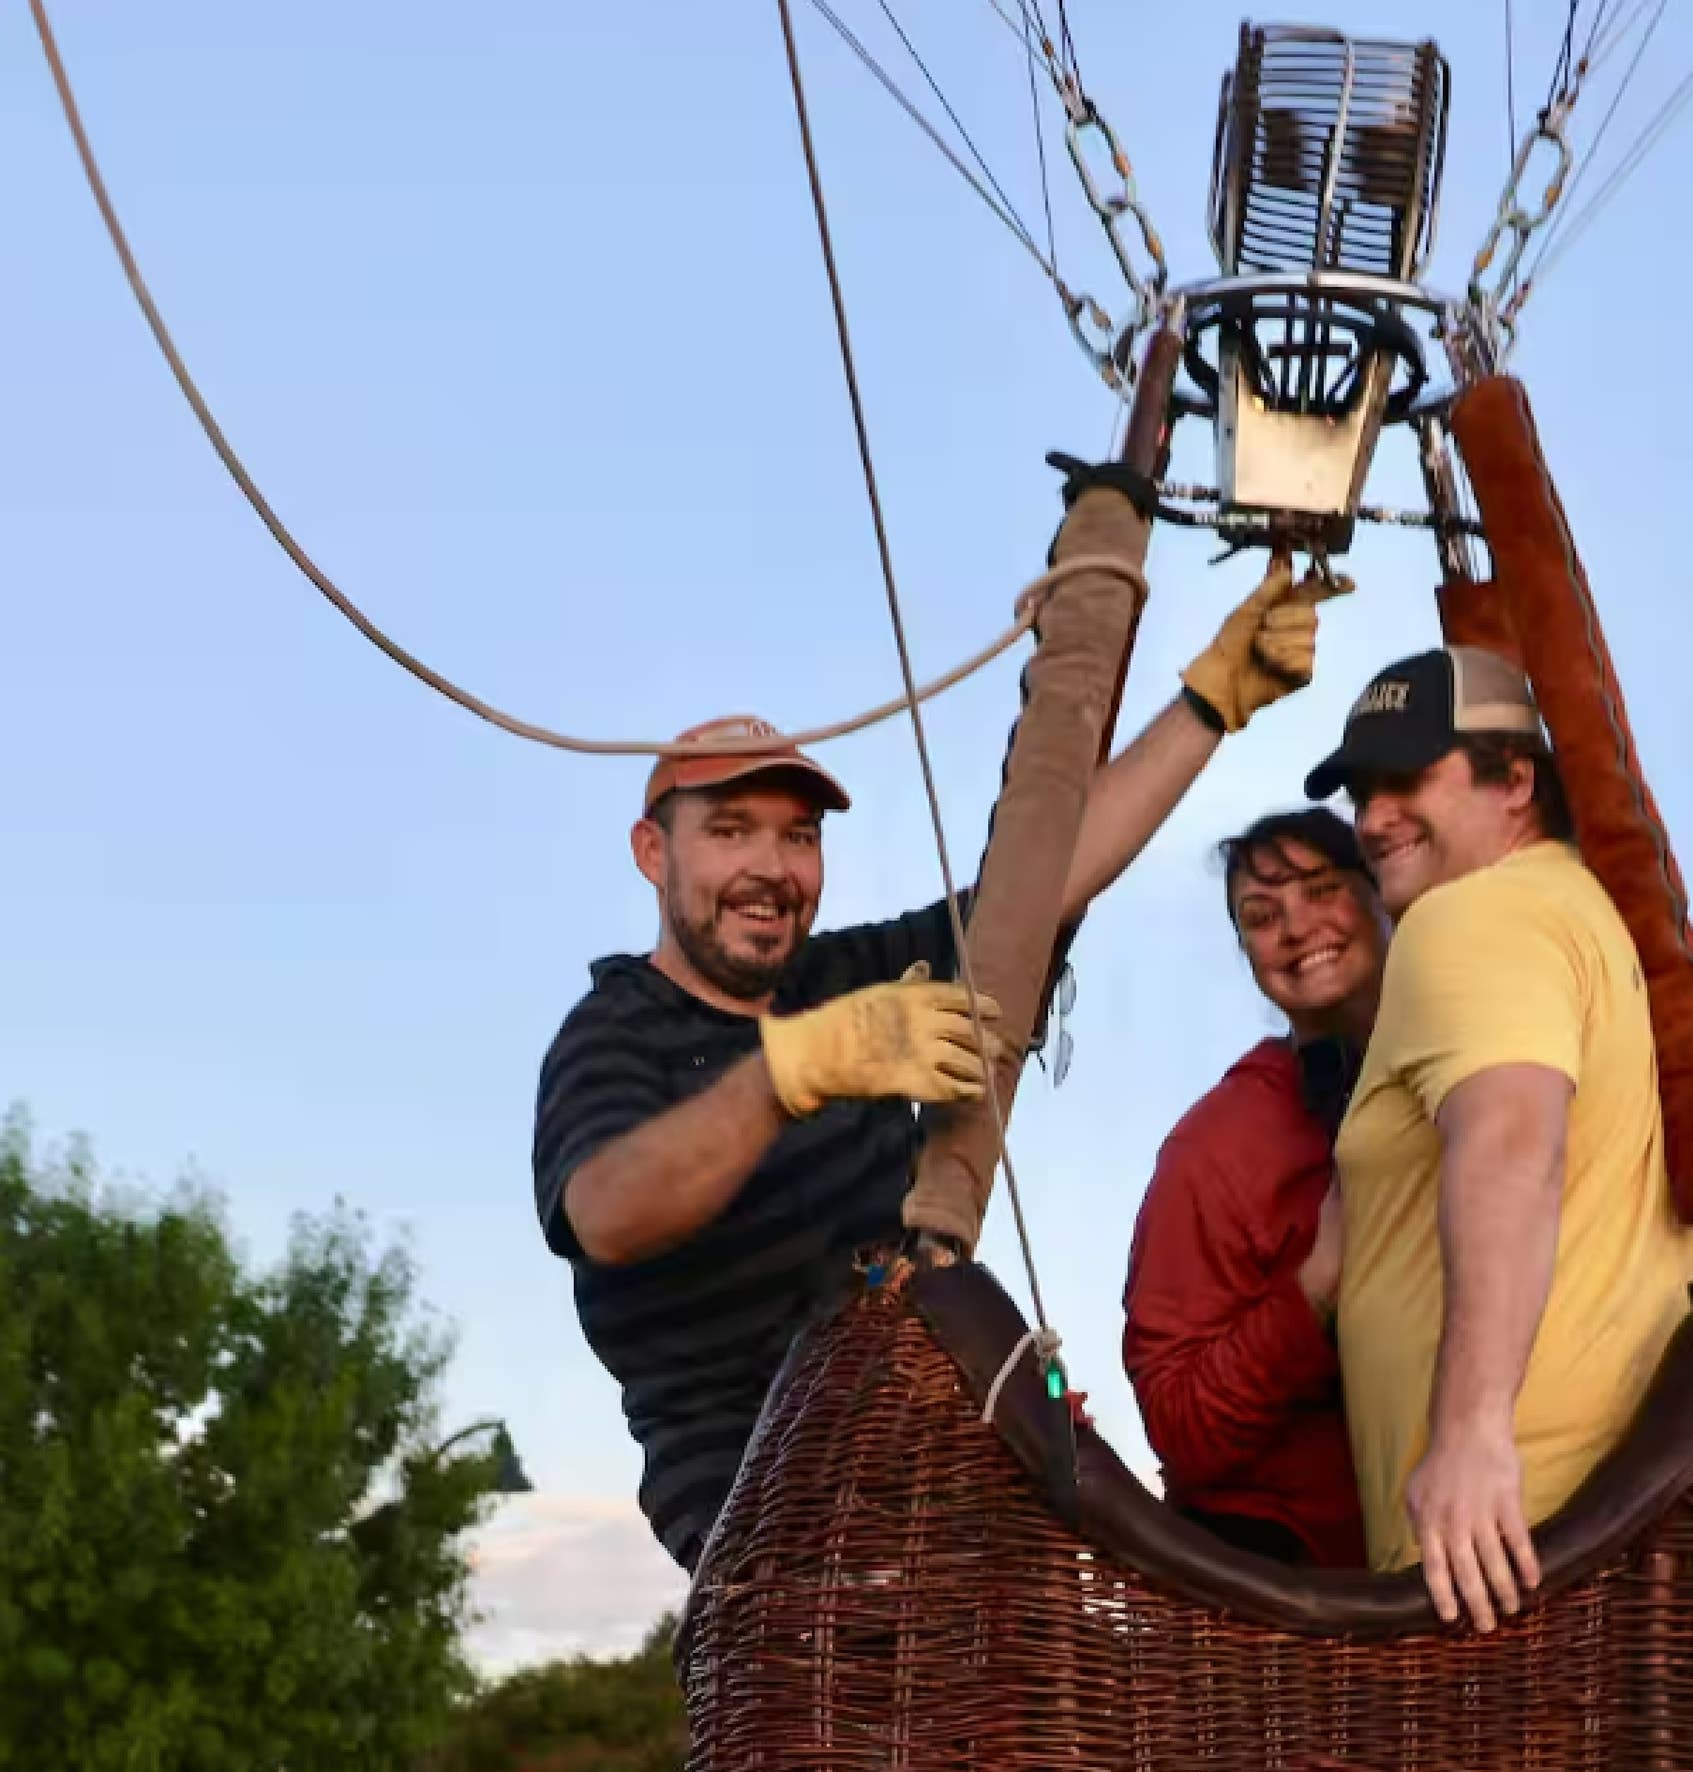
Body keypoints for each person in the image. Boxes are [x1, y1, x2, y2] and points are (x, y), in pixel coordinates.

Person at [534, 565, 1332, 1576]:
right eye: (729, 832)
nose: (771, 868)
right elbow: (607, 1209)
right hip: (776, 1535)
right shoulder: (616, 1032)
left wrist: (1211, 702)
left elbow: (1041, 885)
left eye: (799, 835)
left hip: (940, 1471)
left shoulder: (842, 975)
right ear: (654, 853)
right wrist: (792, 1070)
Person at [1300, 646, 1693, 1620]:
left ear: (1516, 778)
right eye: (1360, 791)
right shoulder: (1602, 927)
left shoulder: (1469, 917)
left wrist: (1471, 1435)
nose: (1371, 818)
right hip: (1597, 1518)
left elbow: (1511, 1142)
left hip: (1509, 1536)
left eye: (1406, 779)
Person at [1121, 808, 1382, 1565]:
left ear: (1381, 895)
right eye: (1262, 917)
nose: (1296, 928)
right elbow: (1175, 1421)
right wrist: (1314, 1294)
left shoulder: (1475, 1071)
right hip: (1295, 1597)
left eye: (1322, 889)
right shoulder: (1215, 1147)